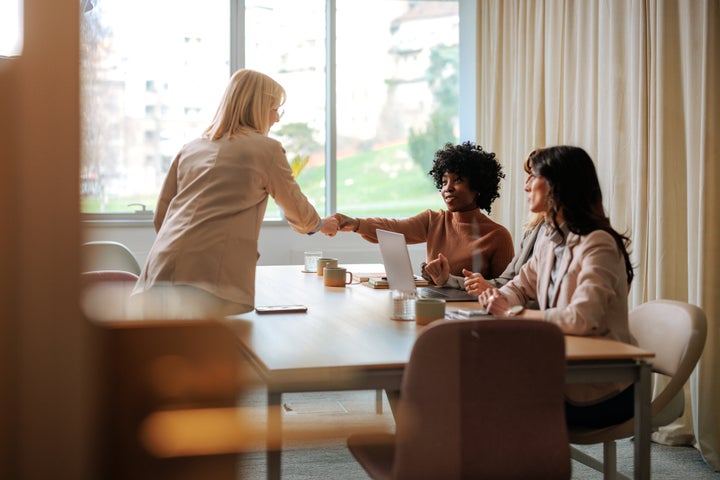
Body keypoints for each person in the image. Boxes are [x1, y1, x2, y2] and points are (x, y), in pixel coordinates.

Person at [132, 69, 339, 318]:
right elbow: (297, 210)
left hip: (159, 269)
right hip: (207, 277)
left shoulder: (192, 148)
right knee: (215, 355)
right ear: (259, 108)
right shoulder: (266, 150)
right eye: (275, 109)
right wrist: (320, 224)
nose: (277, 119)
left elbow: (162, 215)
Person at [478, 145, 635, 428]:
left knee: (483, 396)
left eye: (533, 176)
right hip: (559, 369)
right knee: (474, 385)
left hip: (599, 387)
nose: (525, 185)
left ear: (558, 186)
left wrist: (511, 314)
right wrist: (496, 297)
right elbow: (520, 286)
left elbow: (582, 319)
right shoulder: (551, 240)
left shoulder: (597, 243)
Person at [335, 141, 514, 287]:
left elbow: (505, 289)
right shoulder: (434, 220)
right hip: (433, 305)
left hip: (472, 314)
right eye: (444, 182)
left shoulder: (497, 236)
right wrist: (356, 224)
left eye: (457, 180)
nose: (448, 188)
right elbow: (394, 228)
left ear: (478, 187)